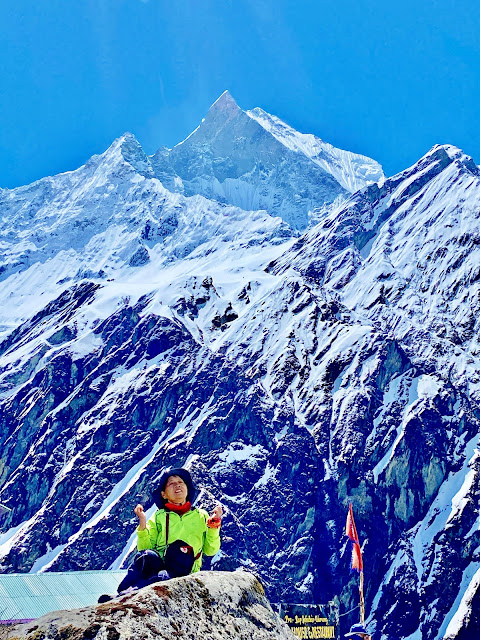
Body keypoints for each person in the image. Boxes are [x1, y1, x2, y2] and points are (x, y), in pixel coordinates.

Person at [109, 468, 222, 598]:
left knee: (177, 556)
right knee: (146, 556)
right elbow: (145, 548)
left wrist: (214, 526)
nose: (178, 485)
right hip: (161, 564)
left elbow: (210, 550)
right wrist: (142, 522)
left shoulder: (201, 516)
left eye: (181, 482)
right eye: (171, 483)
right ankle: (125, 593)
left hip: (186, 567)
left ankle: (132, 594)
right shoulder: (159, 516)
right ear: (164, 494)